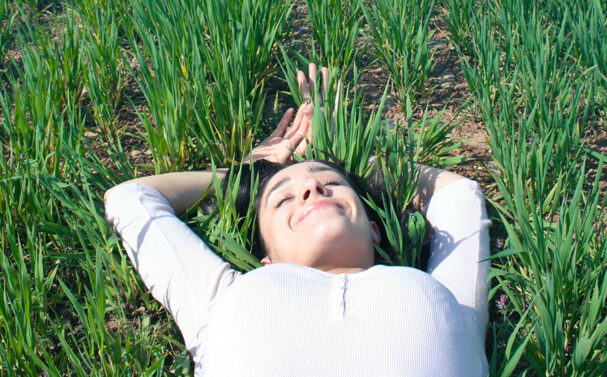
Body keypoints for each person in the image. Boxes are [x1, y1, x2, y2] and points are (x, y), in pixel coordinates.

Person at [104, 64, 491, 376]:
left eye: (332, 183)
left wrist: (353, 155)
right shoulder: (220, 299)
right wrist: (252, 173)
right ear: (267, 260)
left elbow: (460, 195)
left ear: (375, 229)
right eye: (283, 199)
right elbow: (129, 199)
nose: (311, 190)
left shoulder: (453, 303)